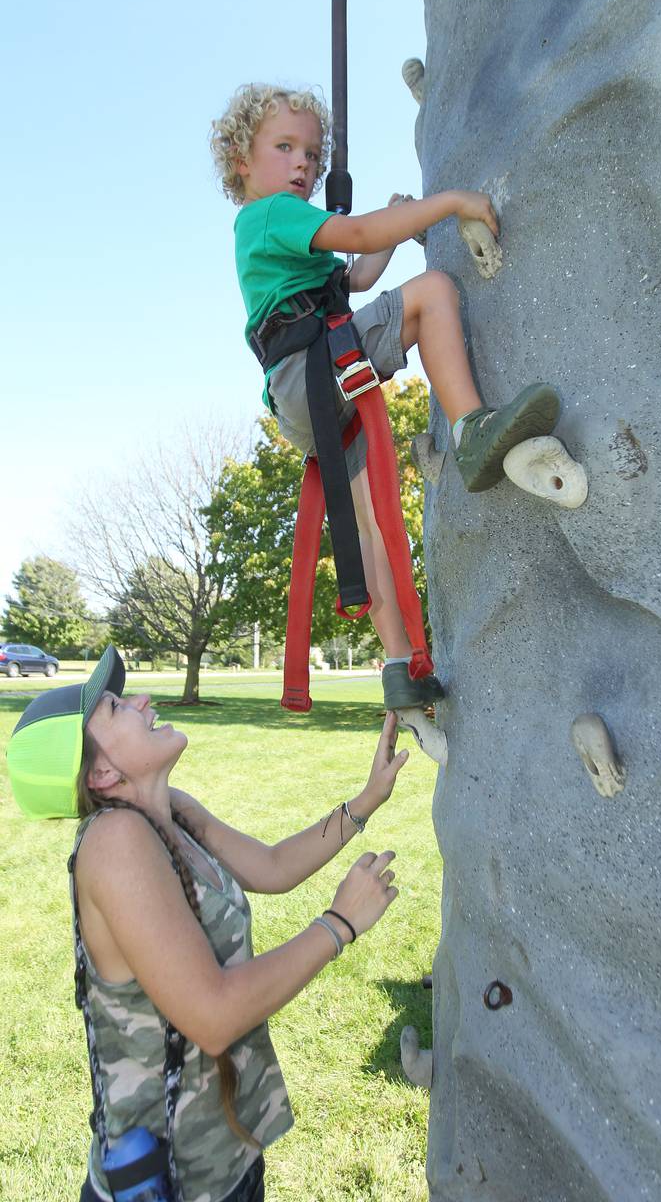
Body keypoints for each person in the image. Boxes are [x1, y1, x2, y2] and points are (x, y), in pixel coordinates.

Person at [6, 646, 407, 1202]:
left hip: (225, 1157)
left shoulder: (172, 809)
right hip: (176, 1180)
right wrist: (338, 924)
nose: (143, 700)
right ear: (99, 771)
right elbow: (213, 1015)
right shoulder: (115, 844)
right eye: (118, 708)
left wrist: (367, 799)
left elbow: (271, 867)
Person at [209, 85, 561, 713]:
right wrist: (443, 204)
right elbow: (360, 230)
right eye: (284, 147)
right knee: (432, 294)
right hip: (315, 367)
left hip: (305, 392)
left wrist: (392, 230)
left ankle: (400, 663)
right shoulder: (270, 214)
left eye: (313, 155)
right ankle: (472, 428)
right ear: (241, 160)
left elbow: (361, 272)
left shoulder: (282, 237)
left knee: (372, 526)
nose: (302, 165)